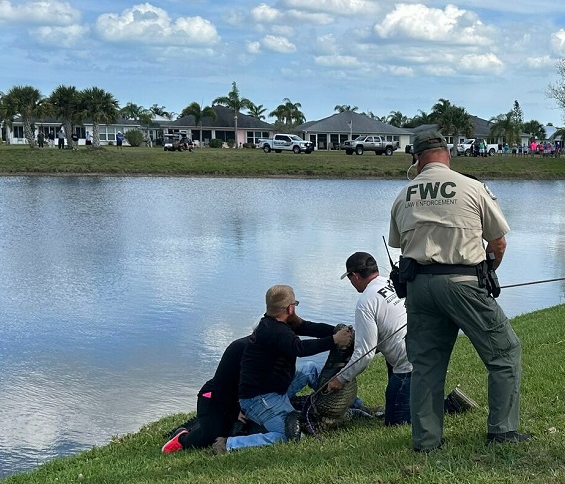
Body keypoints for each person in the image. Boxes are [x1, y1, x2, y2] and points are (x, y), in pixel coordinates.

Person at [389, 129, 529, 452]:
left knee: (425, 365)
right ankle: (502, 432)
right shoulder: (472, 187)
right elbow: (498, 242)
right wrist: (489, 269)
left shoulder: (403, 195)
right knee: (504, 352)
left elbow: (402, 245)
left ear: (417, 159)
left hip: (418, 288)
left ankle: (426, 441)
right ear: (448, 155)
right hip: (463, 282)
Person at [214, 285, 353, 454]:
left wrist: (336, 331)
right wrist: (334, 340)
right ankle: (228, 444)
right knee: (289, 435)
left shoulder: (279, 322)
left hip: (278, 389)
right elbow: (300, 348)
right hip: (260, 398)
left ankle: (353, 404)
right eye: (295, 304)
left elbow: (308, 327)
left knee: (310, 369)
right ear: (290, 308)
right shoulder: (273, 330)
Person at [325, 251, 413, 426]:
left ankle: (449, 406)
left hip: (408, 362)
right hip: (422, 349)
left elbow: (366, 353)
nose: (351, 283)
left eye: (349, 278)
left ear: (355, 276)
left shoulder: (365, 302)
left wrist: (340, 379)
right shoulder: (392, 282)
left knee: (396, 422)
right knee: (402, 405)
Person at [162, 335, 252, 453]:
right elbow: (221, 385)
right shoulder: (239, 347)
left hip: (239, 398)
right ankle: (181, 438)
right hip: (213, 396)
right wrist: (235, 412)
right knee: (212, 435)